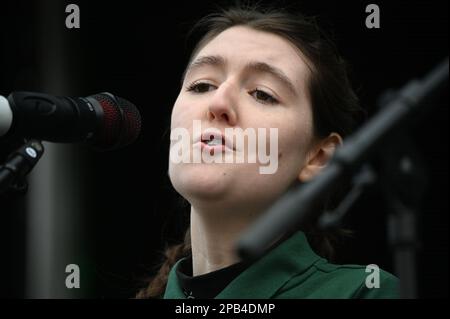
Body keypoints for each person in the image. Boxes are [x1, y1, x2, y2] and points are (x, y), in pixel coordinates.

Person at [137, 4, 398, 299]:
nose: (218, 103)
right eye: (201, 85)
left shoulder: (362, 293)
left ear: (319, 157)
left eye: (262, 94)